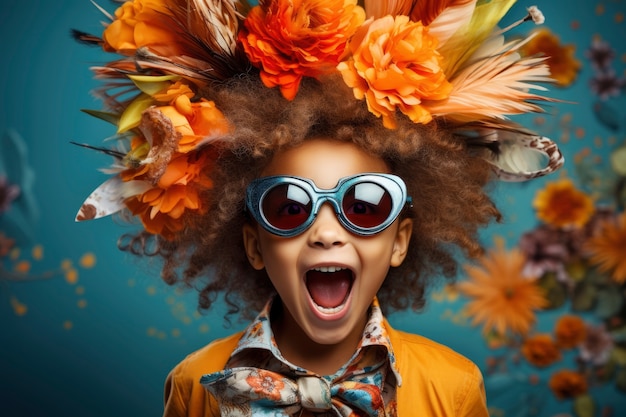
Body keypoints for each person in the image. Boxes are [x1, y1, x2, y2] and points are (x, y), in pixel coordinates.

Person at [73, 0, 563, 415]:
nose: (327, 233)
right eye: (289, 207)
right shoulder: (194, 384)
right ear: (254, 245)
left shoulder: (452, 386)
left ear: (400, 241)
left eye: (365, 205)